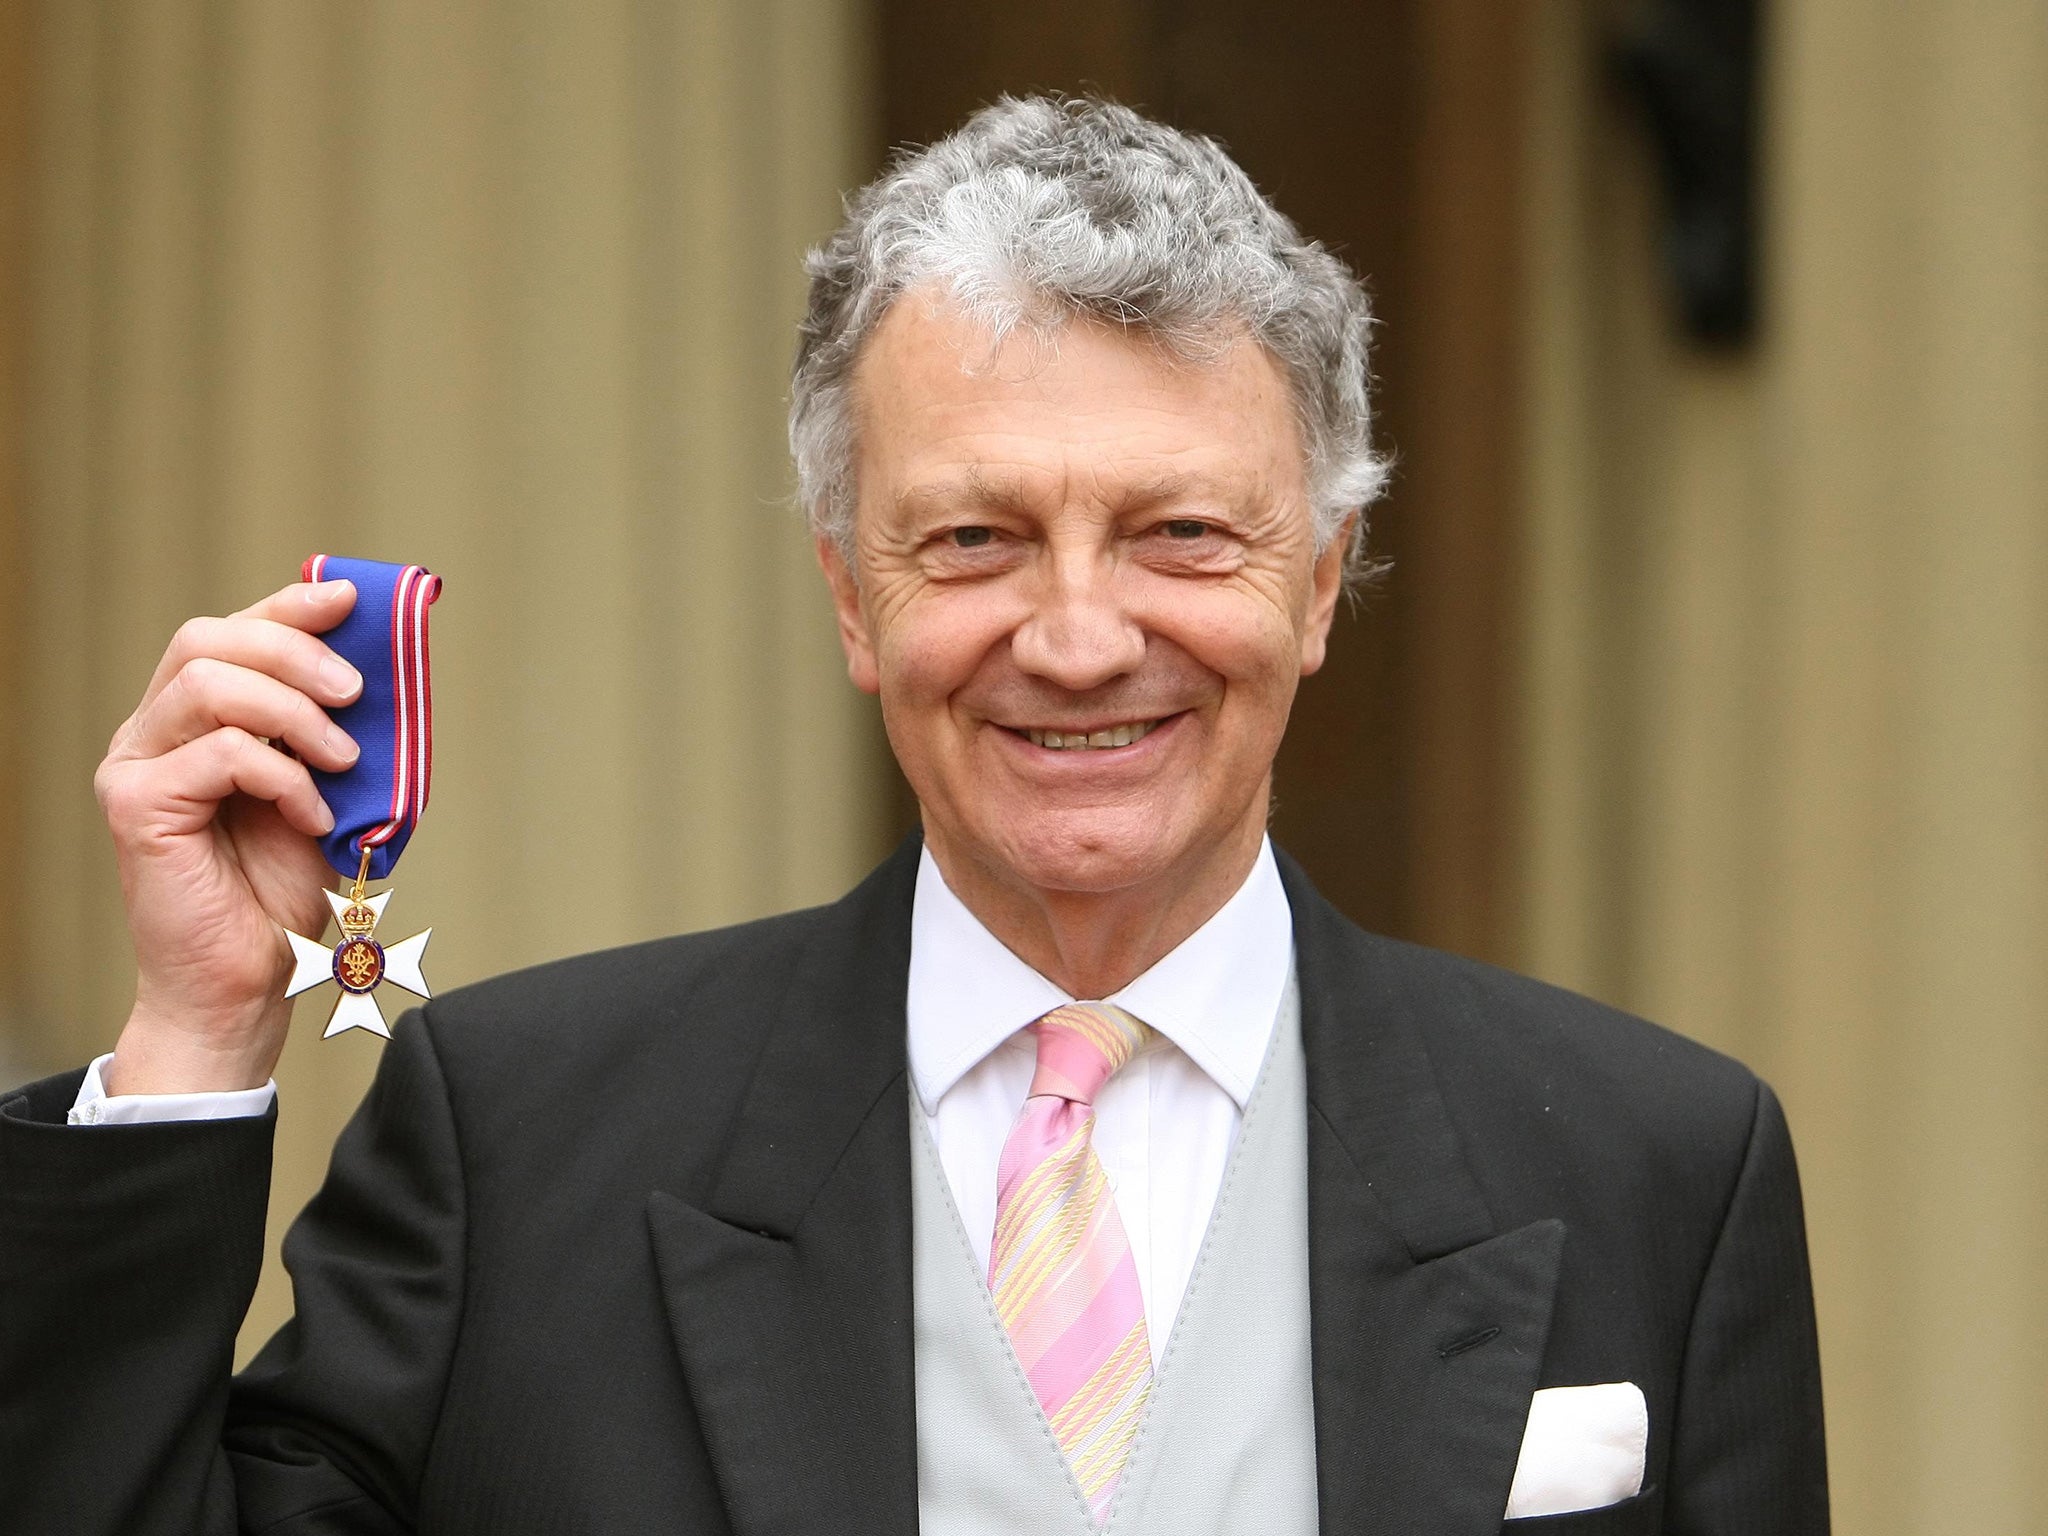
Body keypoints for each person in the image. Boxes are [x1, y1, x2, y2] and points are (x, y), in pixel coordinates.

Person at [0, 97, 1826, 1535]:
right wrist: (195, 1035)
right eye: (975, 538)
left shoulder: (1659, 1167)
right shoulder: (516, 1147)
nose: (1081, 634)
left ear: (1325, 581)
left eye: (1184, 531)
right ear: (850, 599)